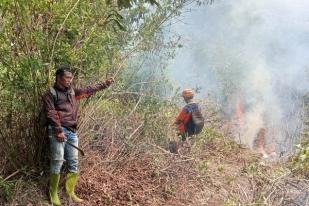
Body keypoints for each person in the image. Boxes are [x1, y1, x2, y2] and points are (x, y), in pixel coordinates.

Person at [42, 65, 114, 206]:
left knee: (73, 162)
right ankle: (53, 193)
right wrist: (58, 130)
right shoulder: (50, 94)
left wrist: (105, 84)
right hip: (58, 131)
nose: (70, 80)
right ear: (58, 78)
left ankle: (70, 191)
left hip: (72, 131)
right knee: (57, 160)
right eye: (67, 77)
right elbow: (50, 113)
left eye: (71, 77)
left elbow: (88, 90)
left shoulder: (72, 92)